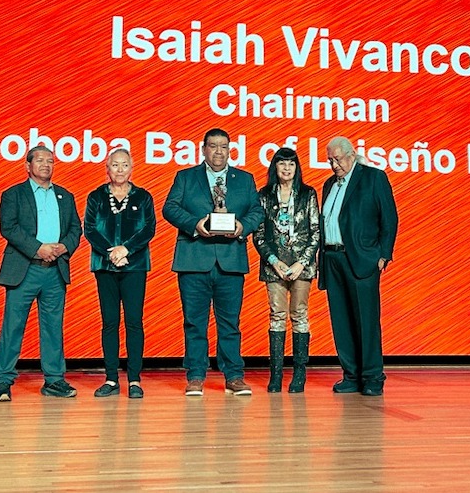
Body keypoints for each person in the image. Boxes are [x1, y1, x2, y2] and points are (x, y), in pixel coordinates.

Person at [162, 128, 264, 396]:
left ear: (229, 150)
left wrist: (243, 226)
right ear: (203, 149)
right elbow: (170, 208)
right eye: (213, 146)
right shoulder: (185, 177)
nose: (218, 152)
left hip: (230, 260)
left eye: (223, 147)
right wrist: (194, 224)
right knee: (194, 322)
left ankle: (234, 375)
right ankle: (196, 375)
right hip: (194, 259)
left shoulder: (244, 179)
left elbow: (257, 211)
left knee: (230, 323)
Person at [0, 145, 82, 401]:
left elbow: (76, 228)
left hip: (55, 271)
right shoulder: (13, 194)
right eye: (40, 160)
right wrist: (37, 248)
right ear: (27, 165)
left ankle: (54, 380)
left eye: (50, 161)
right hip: (24, 268)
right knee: (13, 326)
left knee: (53, 327)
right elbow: (8, 228)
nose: (45, 165)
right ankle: (3, 382)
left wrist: (64, 246)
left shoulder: (66, 196)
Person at [320, 136, 398, 396]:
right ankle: (351, 375)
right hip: (332, 259)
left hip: (362, 259)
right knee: (341, 321)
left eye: (338, 159)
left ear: (352, 155)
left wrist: (383, 254)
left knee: (366, 322)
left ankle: (373, 377)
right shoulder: (328, 184)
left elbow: (389, 218)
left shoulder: (373, 178)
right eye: (330, 159)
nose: (334, 164)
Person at [84, 148, 157, 399]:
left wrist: (127, 250)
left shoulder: (143, 196)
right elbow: (90, 229)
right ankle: (111, 379)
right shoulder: (96, 196)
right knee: (110, 322)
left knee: (134, 322)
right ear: (107, 168)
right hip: (105, 267)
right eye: (115, 165)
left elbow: (149, 229)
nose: (120, 170)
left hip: (134, 266)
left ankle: (134, 379)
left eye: (124, 165)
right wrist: (111, 253)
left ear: (131, 168)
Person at [253, 146, 320, 393]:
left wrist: (301, 262)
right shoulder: (264, 195)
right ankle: (276, 375)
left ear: (297, 167)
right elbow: (259, 234)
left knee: (299, 314)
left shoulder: (308, 194)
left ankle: (299, 374)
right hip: (275, 266)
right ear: (275, 167)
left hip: (301, 265)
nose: (287, 168)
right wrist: (274, 261)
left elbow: (315, 232)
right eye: (282, 164)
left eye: (291, 164)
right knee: (277, 315)